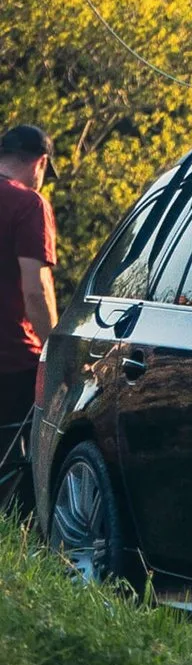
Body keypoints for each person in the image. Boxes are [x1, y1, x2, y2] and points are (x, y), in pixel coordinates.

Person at [0, 121, 58, 507]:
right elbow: (35, 290)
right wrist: (56, 352)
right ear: (39, 162)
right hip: (12, 360)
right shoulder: (28, 203)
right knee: (18, 469)